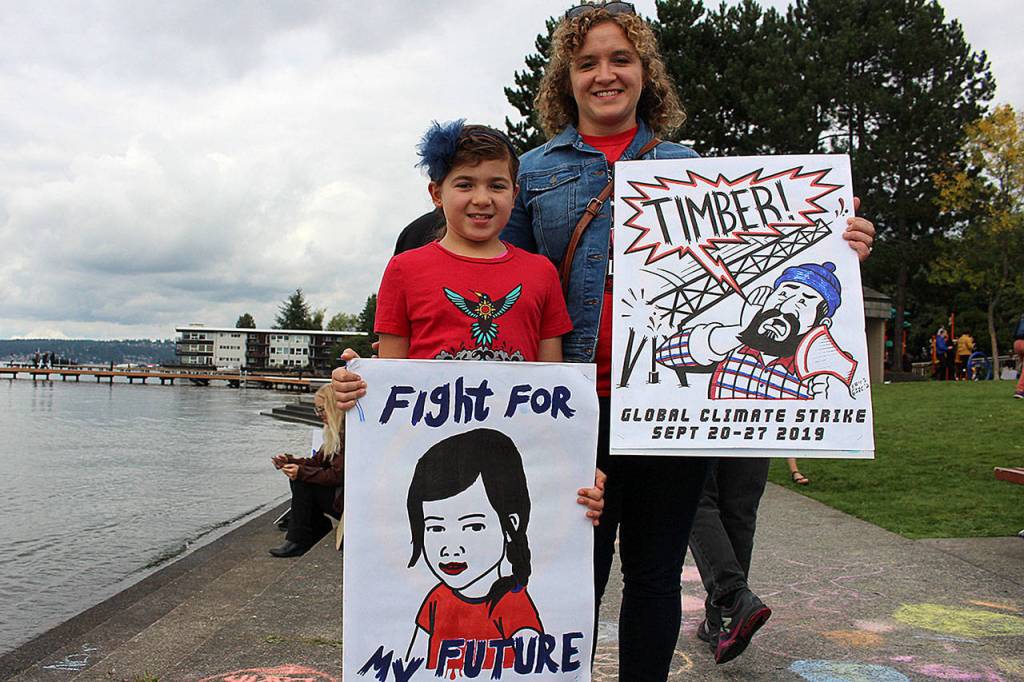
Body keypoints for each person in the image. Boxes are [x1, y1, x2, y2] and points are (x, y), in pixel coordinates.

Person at [335, 4, 875, 678]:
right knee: (568, 576)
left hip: (670, 413)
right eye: (587, 62)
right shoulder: (531, 173)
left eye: (620, 58)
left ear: (646, 72)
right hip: (570, 410)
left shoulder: (692, 168)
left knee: (653, 575)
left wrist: (838, 241)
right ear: (567, 78)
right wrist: (396, 377)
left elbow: (756, 268)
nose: (605, 74)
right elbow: (502, 290)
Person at [405, 428, 542, 673]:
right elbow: (410, 666)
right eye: (435, 528)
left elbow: (534, 671)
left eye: (473, 526)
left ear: (511, 523)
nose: (450, 548)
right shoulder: (437, 599)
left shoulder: (512, 607)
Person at [268, 383, 344, 558]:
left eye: (321, 410)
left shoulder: (345, 435)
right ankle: (310, 532)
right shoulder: (338, 434)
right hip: (341, 497)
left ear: (332, 407)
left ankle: (299, 539)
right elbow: (316, 462)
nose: (319, 415)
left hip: (346, 502)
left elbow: (337, 476)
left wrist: (300, 472)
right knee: (301, 475)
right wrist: (290, 460)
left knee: (302, 480)